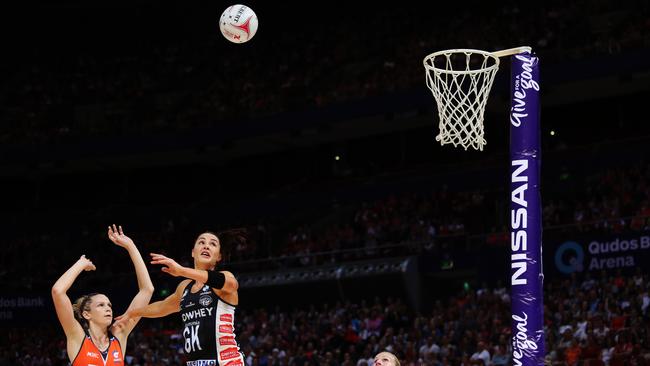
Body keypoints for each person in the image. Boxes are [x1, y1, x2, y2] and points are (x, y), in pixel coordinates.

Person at [115, 230, 245, 366]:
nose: (206, 246)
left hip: (227, 362)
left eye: (213, 244)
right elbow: (161, 307)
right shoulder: (184, 287)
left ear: (219, 256)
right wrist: (132, 313)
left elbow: (231, 284)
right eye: (201, 242)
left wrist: (181, 270)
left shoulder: (225, 277)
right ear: (193, 252)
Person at [51, 225, 154, 365]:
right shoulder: (77, 336)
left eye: (109, 305)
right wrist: (81, 264)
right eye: (101, 305)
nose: (108, 308)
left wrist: (131, 246)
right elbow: (58, 291)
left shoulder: (120, 334)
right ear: (87, 314)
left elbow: (147, 290)